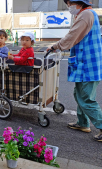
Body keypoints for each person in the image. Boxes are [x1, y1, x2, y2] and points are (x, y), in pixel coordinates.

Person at [47, 0, 102, 142]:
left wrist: (55, 46)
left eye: (71, 2)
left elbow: (72, 36)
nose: (69, 6)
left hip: (87, 64)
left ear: (80, 2)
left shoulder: (86, 15)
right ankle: (83, 123)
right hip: (86, 63)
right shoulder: (88, 14)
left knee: (86, 98)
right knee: (79, 94)